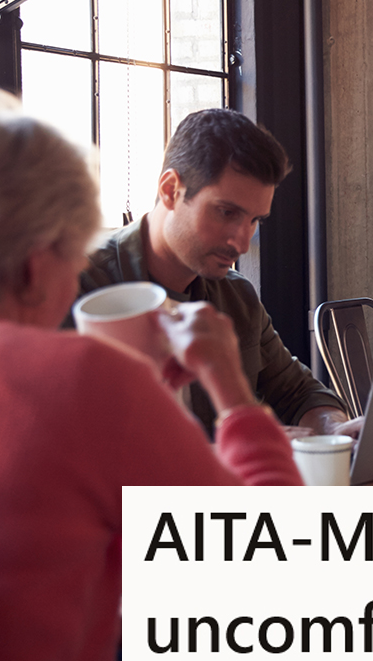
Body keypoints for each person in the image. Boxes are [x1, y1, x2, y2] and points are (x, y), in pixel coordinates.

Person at [0, 103, 302, 661]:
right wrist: (232, 393)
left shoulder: (233, 298)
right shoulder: (82, 371)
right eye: (75, 248)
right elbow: (266, 557)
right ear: (38, 263)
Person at [75, 108, 351, 437]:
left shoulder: (238, 297)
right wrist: (238, 451)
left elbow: (299, 393)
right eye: (226, 212)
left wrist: (334, 431)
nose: (242, 243)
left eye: (254, 221)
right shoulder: (77, 283)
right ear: (170, 190)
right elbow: (69, 443)